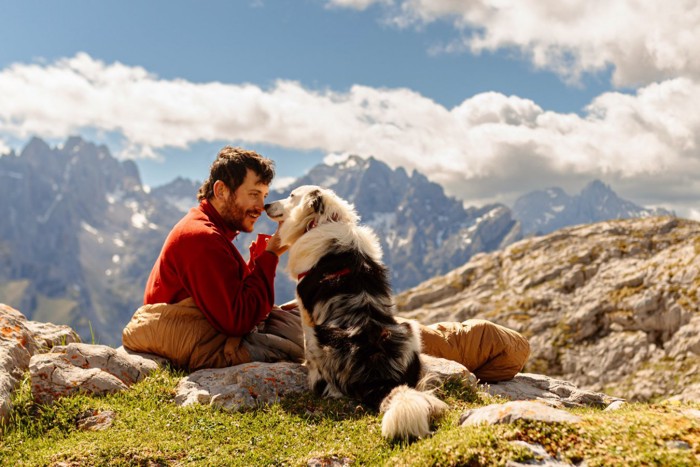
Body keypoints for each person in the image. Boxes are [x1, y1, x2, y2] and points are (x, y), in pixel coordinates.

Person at [122, 146, 530, 382]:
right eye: (253, 194)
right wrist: (268, 258)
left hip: (225, 330)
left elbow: (231, 303)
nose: (261, 206)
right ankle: (486, 343)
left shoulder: (208, 232)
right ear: (220, 190)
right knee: (361, 339)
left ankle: (483, 343)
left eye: (264, 194)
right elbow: (236, 321)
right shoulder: (202, 239)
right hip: (227, 338)